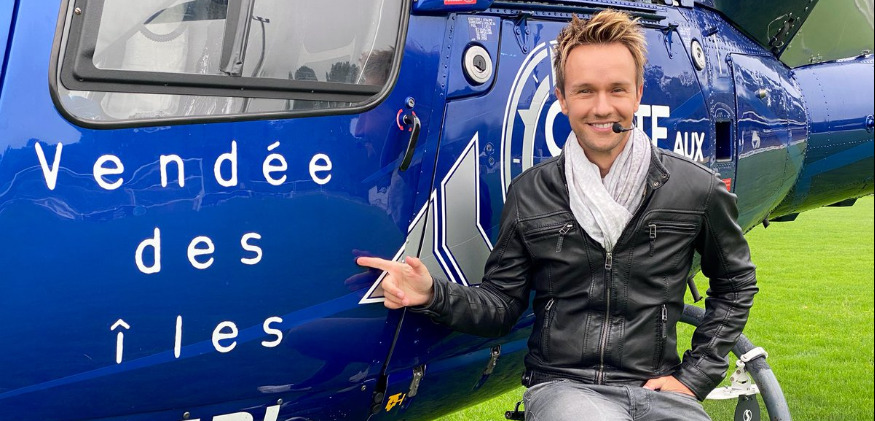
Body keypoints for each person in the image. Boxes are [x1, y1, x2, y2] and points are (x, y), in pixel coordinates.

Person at [357, 9, 757, 421]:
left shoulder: (695, 188)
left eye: (617, 90)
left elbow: (736, 283)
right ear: (562, 99)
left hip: (659, 392)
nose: (602, 107)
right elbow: (501, 306)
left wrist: (694, 376)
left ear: (638, 94)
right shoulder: (531, 192)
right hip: (565, 388)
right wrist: (432, 293)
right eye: (585, 91)